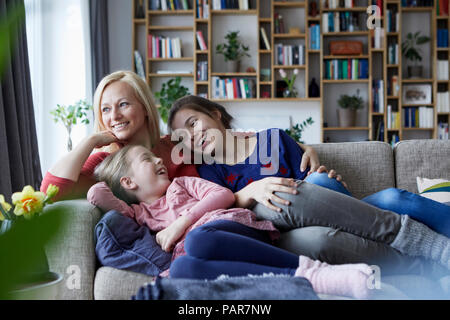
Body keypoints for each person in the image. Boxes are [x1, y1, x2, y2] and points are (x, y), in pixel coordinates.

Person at [168, 98, 450, 272]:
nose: (194, 136)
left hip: (323, 208)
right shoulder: (209, 172)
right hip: (281, 230)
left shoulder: (271, 140)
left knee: (391, 197)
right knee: (319, 227)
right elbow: (221, 205)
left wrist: (321, 177)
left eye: (194, 123)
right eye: (184, 136)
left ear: (215, 114)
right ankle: (421, 253)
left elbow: (310, 185)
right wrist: (252, 190)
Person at [87, 145, 373, 299]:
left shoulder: (182, 183)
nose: (158, 160)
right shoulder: (138, 214)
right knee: (182, 268)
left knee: (199, 238)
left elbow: (222, 194)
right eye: (146, 159)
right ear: (128, 182)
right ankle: (299, 286)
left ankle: (315, 272)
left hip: (231, 229)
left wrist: (181, 223)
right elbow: (98, 195)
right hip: (196, 252)